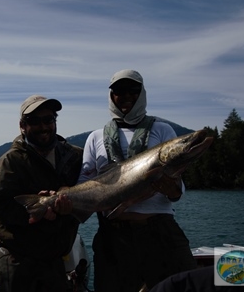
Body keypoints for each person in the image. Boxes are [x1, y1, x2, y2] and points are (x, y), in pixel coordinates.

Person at [79, 69, 197, 292]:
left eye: (133, 90)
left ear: (142, 93)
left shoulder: (163, 130)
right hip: (112, 237)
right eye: (119, 91)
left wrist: (170, 187)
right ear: (111, 95)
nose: (126, 96)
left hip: (160, 231)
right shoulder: (95, 137)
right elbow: (83, 182)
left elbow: (177, 192)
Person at [0, 94, 83, 292]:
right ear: (22, 125)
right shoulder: (10, 161)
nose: (43, 127)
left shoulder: (75, 156)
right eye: (34, 121)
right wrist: (36, 212)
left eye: (48, 119)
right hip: (18, 261)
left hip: (55, 260)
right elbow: (0, 204)